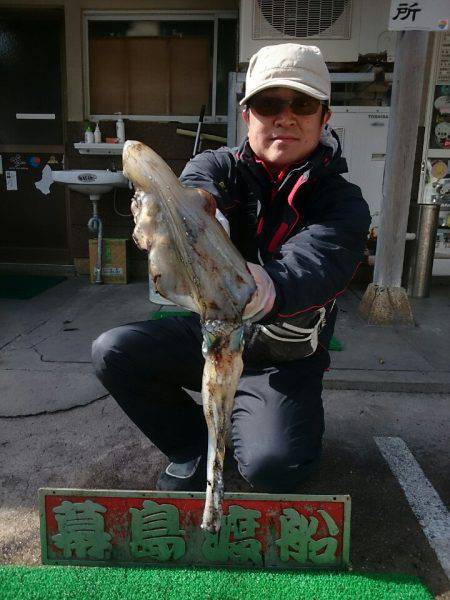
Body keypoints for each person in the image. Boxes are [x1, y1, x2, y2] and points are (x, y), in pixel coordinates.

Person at [92, 43, 371, 493]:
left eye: (302, 103)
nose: (285, 117)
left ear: (325, 117)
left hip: (282, 354)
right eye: (268, 104)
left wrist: (265, 285)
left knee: (272, 468)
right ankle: (191, 447)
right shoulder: (217, 164)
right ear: (248, 117)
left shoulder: (344, 203)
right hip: (215, 334)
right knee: (114, 350)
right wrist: (200, 211)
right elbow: (198, 188)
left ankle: (278, 422)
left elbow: (316, 265)